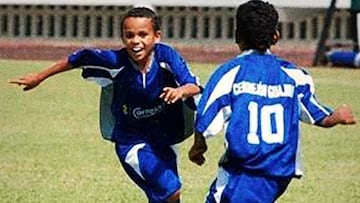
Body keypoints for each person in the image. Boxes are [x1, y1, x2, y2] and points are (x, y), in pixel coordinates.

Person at [10, 7, 201, 203]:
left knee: (166, 198)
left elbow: (193, 86)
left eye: (143, 35)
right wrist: (39, 77)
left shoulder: (166, 56)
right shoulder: (115, 62)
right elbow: (78, 59)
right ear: (123, 38)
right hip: (132, 142)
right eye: (129, 35)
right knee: (171, 191)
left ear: (157, 36)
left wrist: (180, 91)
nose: (136, 41)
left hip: (164, 139)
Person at [188, 1, 356, 203]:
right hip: (280, 172)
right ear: (275, 36)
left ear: (236, 36)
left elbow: (207, 115)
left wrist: (198, 146)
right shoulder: (294, 75)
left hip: (245, 171)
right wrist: (336, 116)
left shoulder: (230, 73)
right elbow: (317, 114)